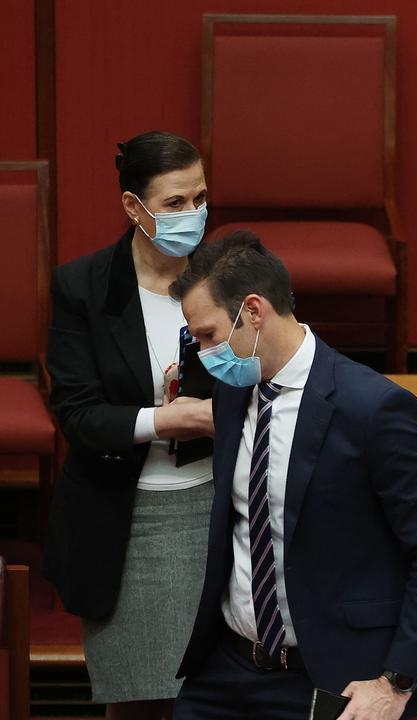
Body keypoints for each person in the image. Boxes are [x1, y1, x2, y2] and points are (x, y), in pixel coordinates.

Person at [169, 231, 417, 720]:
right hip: (227, 671)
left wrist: (397, 682)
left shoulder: (374, 408)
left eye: (207, 335)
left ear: (253, 311)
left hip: (331, 678)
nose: (203, 353)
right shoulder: (231, 391)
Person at [43, 131, 215, 720]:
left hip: (219, 510)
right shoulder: (83, 288)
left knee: (216, 698)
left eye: (199, 199)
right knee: (139, 702)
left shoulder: (233, 275)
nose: (192, 215)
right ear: (132, 207)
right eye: (174, 204)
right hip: (126, 518)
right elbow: (77, 413)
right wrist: (167, 419)